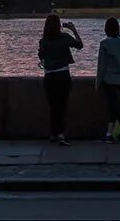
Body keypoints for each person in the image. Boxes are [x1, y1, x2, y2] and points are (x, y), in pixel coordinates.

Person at [37, 13, 83, 145]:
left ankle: (53, 133)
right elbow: (80, 45)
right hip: (62, 75)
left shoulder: (43, 41)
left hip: (49, 76)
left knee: (53, 106)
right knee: (62, 105)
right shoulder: (64, 37)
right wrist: (73, 29)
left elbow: (42, 56)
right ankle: (60, 134)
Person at [96, 17, 120, 143]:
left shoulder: (104, 43)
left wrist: (97, 82)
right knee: (113, 107)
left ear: (106, 29)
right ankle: (109, 134)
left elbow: (101, 66)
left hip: (109, 80)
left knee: (116, 107)